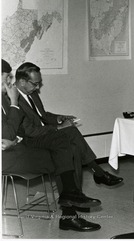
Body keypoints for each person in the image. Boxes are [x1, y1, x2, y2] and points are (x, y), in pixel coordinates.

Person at [2, 59, 101, 231]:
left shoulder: (6, 99)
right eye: (5, 78)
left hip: (17, 147)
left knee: (66, 148)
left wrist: (13, 137)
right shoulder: (9, 100)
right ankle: (72, 205)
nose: (9, 82)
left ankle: (71, 207)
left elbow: (11, 132)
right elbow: (9, 133)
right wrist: (14, 103)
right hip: (10, 156)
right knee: (64, 153)